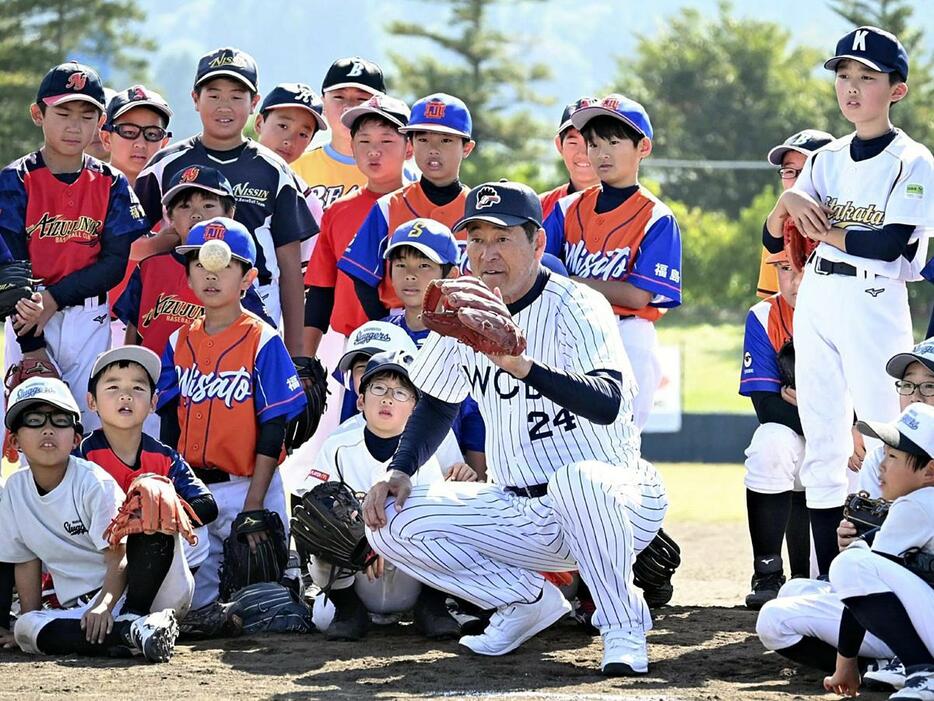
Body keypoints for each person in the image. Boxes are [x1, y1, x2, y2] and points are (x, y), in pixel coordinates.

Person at [362, 181, 668, 676]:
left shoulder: (578, 305)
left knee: (579, 481)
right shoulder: (465, 313)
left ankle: (622, 626)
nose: (487, 254)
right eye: (476, 239)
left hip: (615, 501)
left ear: (538, 243)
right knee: (389, 519)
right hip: (520, 507)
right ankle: (526, 601)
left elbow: (608, 403)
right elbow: (437, 403)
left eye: (502, 238)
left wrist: (525, 367)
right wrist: (401, 471)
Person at [765, 26, 934, 577]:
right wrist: (790, 196)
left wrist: (825, 229)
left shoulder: (913, 160)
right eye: (843, 75)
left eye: (868, 77)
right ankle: (821, 576)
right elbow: (783, 231)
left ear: (897, 90)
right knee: (823, 438)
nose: (852, 88)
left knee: (889, 432)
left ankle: (895, 564)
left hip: (873, 295)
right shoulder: (825, 160)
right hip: (819, 291)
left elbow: (885, 245)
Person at [155, 217, 306, 611]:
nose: (210, 275)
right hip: (196, 492)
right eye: (201, 264)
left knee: (263, 607)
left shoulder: (263, 339)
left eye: (224, 265)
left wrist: (255, 502)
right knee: (192, 608)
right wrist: (174, 489)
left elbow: (275, 428)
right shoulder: (178, 340)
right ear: (187, 275)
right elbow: (170, 422)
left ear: (248, 277)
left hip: (250, 485)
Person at [134, 47, 316, 354]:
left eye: (236, 96)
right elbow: (126, 245)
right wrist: (163, 242)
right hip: (176, 312)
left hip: (256, 316)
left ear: (254, 103)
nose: (224, 106)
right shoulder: (164, 164)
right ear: (195, 98)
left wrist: (297, 355)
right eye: (214, 94)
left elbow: (290, 268)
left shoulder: (275, 171)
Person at [0, 61, 150, 433]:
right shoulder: (15, 179)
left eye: (86, 115)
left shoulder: (111, 183)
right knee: (19, 425)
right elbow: (11, 270)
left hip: (88, 319)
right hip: (27, 317)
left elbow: (114, 264)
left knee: (88, 425)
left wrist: (54, 298)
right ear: (38, 114)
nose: (73, 125)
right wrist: (32, 345)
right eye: (63, 112)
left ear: (100, 123)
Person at [0, 377, 186, 662]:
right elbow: (26, 562)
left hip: (145, 585)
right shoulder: (14, 490)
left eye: (60, 421)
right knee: (25, 626)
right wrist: (30, 625)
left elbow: (119, 556)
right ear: (14, 440)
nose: (48, 429)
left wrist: (105, 606)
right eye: (35, 420)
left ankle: (133, 619)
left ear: (76, 438)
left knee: (152, 493)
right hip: (87, 607)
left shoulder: (91, 482)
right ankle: (135, 633)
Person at [283, 96, 414, 495]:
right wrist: (304, 362)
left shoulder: (421, 203)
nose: (374, 152)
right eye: (364, 141)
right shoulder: (339, 211)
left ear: (409, 145)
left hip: (418, 348)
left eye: (386, 141)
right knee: (352, 446)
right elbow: (320, 291)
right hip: (356, 349)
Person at [305, 350, 474, 641]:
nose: (387, 398)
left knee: (455, 515)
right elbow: (309, 510)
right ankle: (348, 611)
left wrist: (384, 544)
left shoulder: (426, 452)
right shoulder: (338, 446)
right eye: (379, 388)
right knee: (320, 529)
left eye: (400, 392)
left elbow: (437, 524)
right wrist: (361, 543)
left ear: (416, 407)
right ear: (360, 400)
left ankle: (432, 607)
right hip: (357, 577)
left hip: (414, 575)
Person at [543, 94, 682, 430]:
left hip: (627, 333)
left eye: (614, 142)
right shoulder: (566, 209)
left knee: (620, 437)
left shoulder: (657, 218)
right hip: (569, 331)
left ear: (643, 147)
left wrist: (568, 281)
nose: (600, 153)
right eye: (592, 143)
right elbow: (538, 267)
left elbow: (638, 297)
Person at [821, 403, 934, 698]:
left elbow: (859, 573)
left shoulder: (919, 503)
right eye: (884, 453)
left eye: (894, 456)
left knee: (850, 565)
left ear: (930, 470)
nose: (882, 464)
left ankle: (923, 672)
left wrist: (845, 662)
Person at [339, 92, 475, 317]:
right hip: (400, 321)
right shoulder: (388, 206)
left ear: (467, 148)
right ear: (410, 143)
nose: (433, 149)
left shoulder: (478, 211)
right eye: (423, 139)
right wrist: (385, 325)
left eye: (445, 140)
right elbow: (362, 277)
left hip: (463, 327)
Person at [115, 165, 271, 356]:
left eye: (208, 205)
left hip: (207, 379)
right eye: (184, 206)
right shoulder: (150, 267)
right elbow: (134, 327)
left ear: (229, 214)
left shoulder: (234, 270)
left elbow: (259, 331)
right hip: (153, 376)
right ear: (170, 216)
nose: (196, 214)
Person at [382, 218, 486, 475]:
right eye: (401, 264)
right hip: (377, 461)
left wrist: (478, 474)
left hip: (446, 464)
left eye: (424, 265)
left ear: (451, 274)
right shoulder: (377, 332)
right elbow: (354, 405)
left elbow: (474, 414)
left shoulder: (464, 335)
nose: (410, 275)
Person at [739, 249, 809, 608]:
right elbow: (768, 407)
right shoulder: (765, 315)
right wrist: (828, 418)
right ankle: (767, 570)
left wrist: (838, 425)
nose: (792, 279)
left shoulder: (852, 313)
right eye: (784, 268)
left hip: (853, 442)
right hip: (818, 434)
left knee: (820, 576)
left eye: (801, 267)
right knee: (770, 442)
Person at [99, 85, 178, 349]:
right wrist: (167, 239)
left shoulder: (177, 195)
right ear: (107, 137)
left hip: (155, 326)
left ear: (165, 142)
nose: (140, 143)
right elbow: (127, 246)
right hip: (91, 322)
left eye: (152, 134)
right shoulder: (90, 187)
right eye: (129, 132)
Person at [291, 57, 387, 209]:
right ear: (322, 104)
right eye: (339, 97)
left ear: (382, 108)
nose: (348, 107)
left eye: (361, 99)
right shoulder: (295, 168)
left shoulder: (398, 172)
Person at [252, 82, 328, 264]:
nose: (289, 140)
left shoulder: (306, 200)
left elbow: (302, 270)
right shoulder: (221, 172)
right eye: (283, 126)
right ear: (259, 123)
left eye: (303, 134)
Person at [754, 130, 834, 299]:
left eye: (807, 170)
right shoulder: (778, 225)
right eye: (789, 171)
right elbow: (774, 301)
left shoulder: (853, 216)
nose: (798, 180)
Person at [539, 97, 599, 219]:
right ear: (559, 145)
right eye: (573, 143)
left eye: (593, 143)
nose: (583, 153)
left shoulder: (637, 210)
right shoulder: (538, 208)